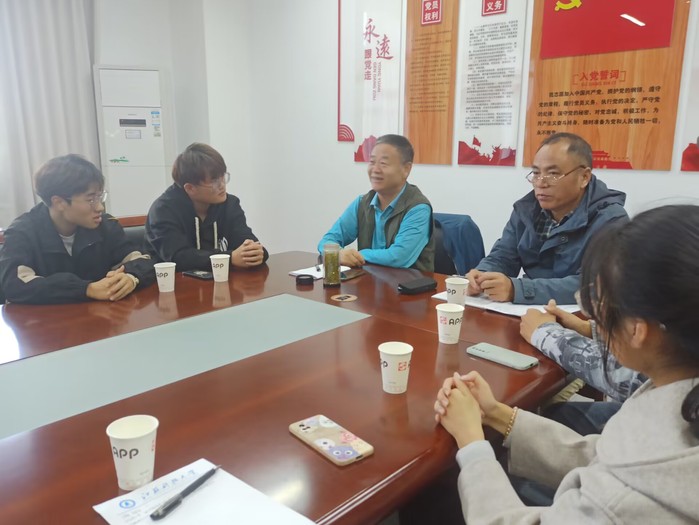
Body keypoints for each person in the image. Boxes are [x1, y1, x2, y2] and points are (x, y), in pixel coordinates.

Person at [434, 204, 699, 523]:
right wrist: (500, 415)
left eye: (599, 306)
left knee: (441, 493)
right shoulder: (675, 397)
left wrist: (472, 445)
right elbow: (605, 457)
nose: (594, 320)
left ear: (637, 331)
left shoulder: (623, 501)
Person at [466, 132, 627, 304]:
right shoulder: (526, 210)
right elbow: (504, 256)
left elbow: (595, 285)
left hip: (581, 315)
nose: (541, 183)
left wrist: (517, 289)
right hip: (529, 311)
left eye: (553, 174)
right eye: (536, 173)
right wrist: (482, 275)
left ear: (584, 177)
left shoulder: (611, 220)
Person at [0, 155, 155, 304]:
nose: (100, 207)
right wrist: (85, 289)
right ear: (59, 202)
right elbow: (14, 285)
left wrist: (131, 277)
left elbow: (144, 261)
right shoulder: (23, 232)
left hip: (100, 317)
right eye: (91, 199)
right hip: (43, 320)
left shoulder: (106, 225)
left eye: (100, 197)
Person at [317, 134, 434, 271]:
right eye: (372, 162)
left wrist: (358, 255)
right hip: (369, 281)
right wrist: (338, 253)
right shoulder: (362, 203)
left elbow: (398, 257)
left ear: (406, 169)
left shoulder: (418, 208)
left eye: (383, 163)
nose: (375, 170)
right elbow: (327, 240)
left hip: (409, 283)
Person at [145, 143, 268, 272]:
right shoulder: (163, 210)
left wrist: (255, 252)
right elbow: (178, 257)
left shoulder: (230, 204)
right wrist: (230, 258)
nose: (222, 185)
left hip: (220, 279)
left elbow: (247, 241)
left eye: (223, 177)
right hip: (170, 281)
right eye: (214, 181)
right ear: (190, 188)